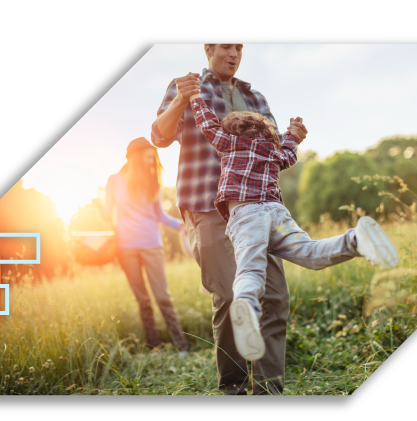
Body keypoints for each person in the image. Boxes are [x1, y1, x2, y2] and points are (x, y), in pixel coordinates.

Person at [188, 93, 399, 361]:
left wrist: (196, 98)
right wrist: (292, 134)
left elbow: (208, 124)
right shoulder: (273, 151)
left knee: (251, 268)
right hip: (277, 214)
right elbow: (289, 152)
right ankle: (355, 240)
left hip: (247, 215)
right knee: (310, 253)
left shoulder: (229, 142)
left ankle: (247, 307)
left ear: (232, 130)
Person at [151, 43, 308, 396]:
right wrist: (180, 99)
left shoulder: (256, 97)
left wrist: (292, 137)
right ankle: (233, 388)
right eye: (226, 46)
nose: (234, 53)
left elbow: (272, 151)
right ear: (209, 49)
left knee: (274, 297)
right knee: (229, 296)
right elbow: (159, 137)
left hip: (255, 208)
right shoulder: (187, 85)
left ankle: (269, 390)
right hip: (205, 205)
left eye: (239, 47)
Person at [98, 137, 190, 355]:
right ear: (135, 157)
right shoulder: (114, 181)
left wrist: (182, 225)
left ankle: (182, 347)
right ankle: (154, 347)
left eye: (153, 158)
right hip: (125, 248)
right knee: (143, 301)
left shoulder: (152, 182)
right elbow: (107, 214)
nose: (151, 162)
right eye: (148, 157)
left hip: (152, 245)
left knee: (162, 298)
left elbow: (159, 215)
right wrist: (99, 211)